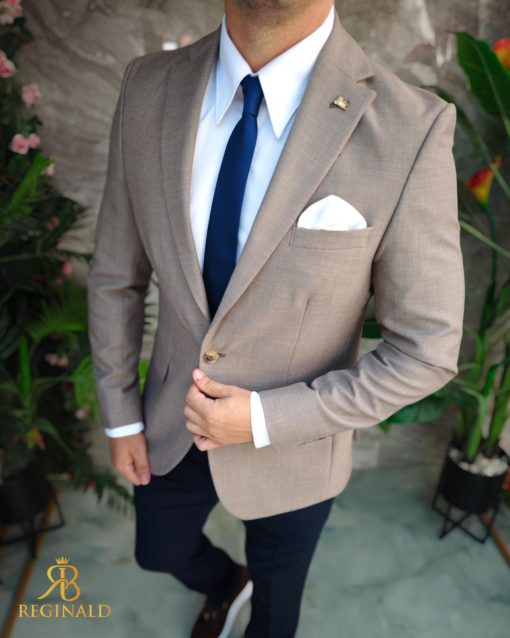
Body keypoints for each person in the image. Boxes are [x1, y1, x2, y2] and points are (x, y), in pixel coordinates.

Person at [87, 0, 465, 636]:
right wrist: (120, 415)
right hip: (168, 421)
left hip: (298, 448)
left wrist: (265, 419)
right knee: (160, 552)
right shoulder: (147, 84)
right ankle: (223, 583)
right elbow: (115, 275)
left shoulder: (412, 127)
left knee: (276, 613)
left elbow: (426, 350)